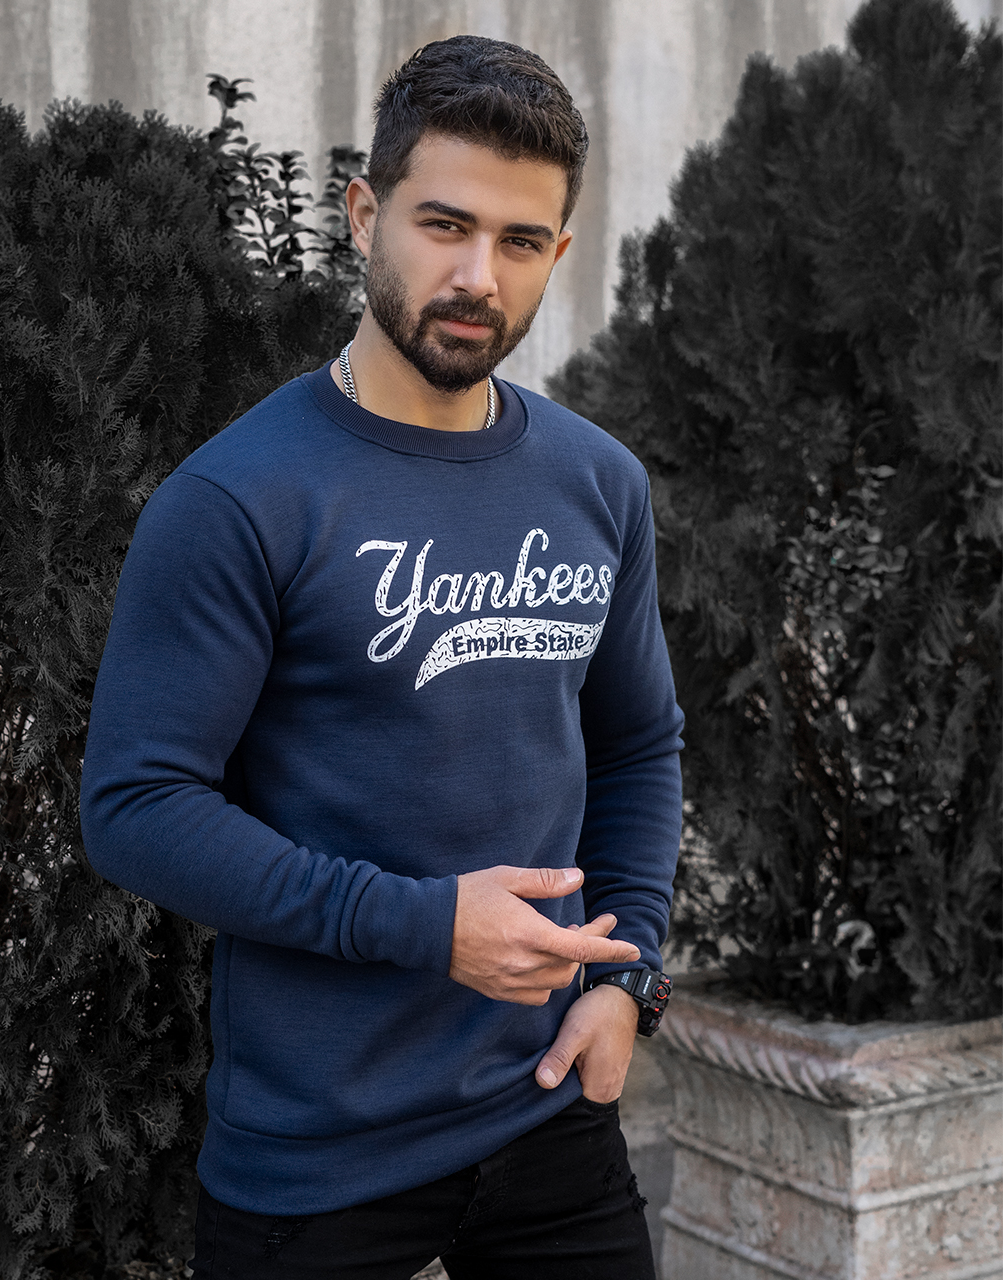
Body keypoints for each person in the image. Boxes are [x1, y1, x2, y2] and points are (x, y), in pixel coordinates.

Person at [80, 34, 683, 1280]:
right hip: (318, 1157)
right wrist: (420, 924)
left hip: (547, 1107)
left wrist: (626, 978)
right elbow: (135, 807)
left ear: (558, 252)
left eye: (519, 242)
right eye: (443, 224)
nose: (476, 275)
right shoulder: (238, 498)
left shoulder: (597, 482)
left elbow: (636, 744)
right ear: (365, 214)